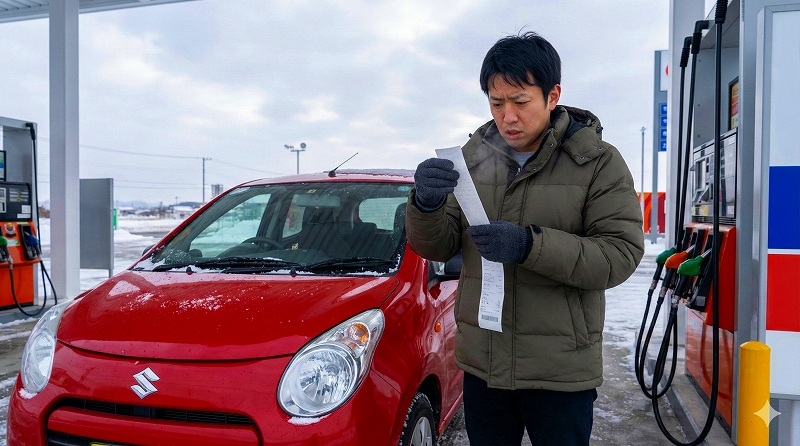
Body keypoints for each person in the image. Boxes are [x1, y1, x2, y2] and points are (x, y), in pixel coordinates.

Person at [405, 32, 644, 446]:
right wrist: (426, 204)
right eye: (496, 103)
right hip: (485, 365)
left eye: (520, 102)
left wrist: (529, 246)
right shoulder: (472, 159)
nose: (508, 117)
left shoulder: (597, 162)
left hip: (560, 371)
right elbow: (438, 246)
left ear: (552, 96)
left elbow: (619, 254)